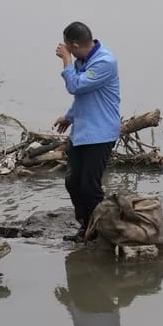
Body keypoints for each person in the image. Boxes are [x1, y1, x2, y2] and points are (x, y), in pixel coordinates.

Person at [54, 21, 121, 242]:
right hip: (82, 132)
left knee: (90, 186)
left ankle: (98, 231)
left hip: (100, 134)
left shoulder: (104, 62)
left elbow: (75, 86)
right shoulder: (84, 61)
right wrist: (69, 117)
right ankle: (85, 227)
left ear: (73, 45)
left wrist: (66, 61)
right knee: (73, 182)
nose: (65, 49)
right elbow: (84, 96)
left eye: (67, 46)